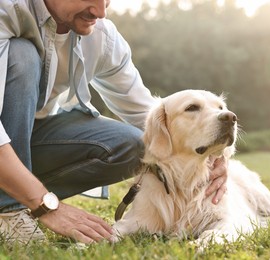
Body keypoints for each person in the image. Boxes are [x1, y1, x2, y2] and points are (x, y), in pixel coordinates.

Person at [0, 0, 227, 245]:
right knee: (21, 56)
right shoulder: (7, 9)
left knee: (129, 144)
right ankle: (9, 209)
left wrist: (215, 153)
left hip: (30, 137)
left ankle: (18, 194)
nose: (101, 12)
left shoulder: (102, 36)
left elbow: (148, 116)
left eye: (107, 0)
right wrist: (46, 206)